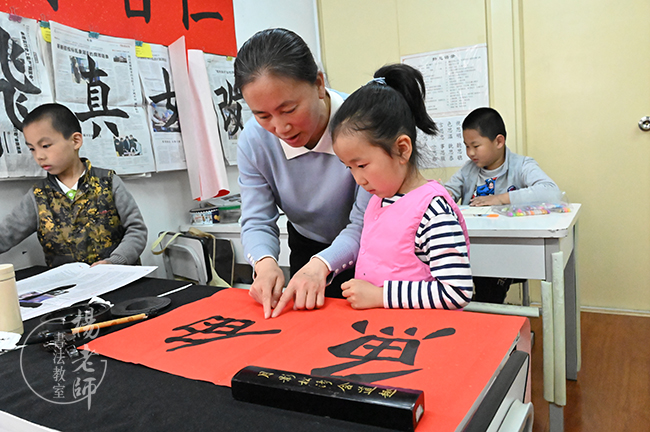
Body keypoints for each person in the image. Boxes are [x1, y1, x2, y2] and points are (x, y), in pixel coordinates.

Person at [234, 28, 371, 319]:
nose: (280, 127)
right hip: (307, 249)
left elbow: (364, 222)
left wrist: (324, 264)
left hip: (373, 248)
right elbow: (257, 219)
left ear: (319, 84)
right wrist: (264, 263)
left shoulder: (364, 125)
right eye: (262, 115)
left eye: (289, 109)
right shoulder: (254, 141)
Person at [330, 64, 472, 310]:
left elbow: (456, 291)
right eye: (349, 167)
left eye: (362, 165)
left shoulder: (433, 212)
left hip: (422, 332)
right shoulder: (379, 200)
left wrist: (381, 296)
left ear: (402, 149)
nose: (358, 179)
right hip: (386, 329)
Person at [0, 103, 147, 268]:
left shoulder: (108, 182)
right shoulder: (39, 196)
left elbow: (136, 230)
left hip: (117, 276)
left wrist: (115, 261)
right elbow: (6, 234)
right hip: (68, 282)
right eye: (32, 149)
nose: (39, 156)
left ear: (75, 141)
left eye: (45, 146)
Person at [445, 107, 562, 303]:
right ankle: (479, 310)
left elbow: (551, 192)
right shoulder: (469, 170)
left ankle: (486, 313)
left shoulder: (522, 166)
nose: (470, 153)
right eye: (466, 146)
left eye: (476, 146)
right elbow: (449, 191)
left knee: (489, 287)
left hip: (511, 250)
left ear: (499, 141)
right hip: (474, 248)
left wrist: (501, 198)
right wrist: (442, 193)